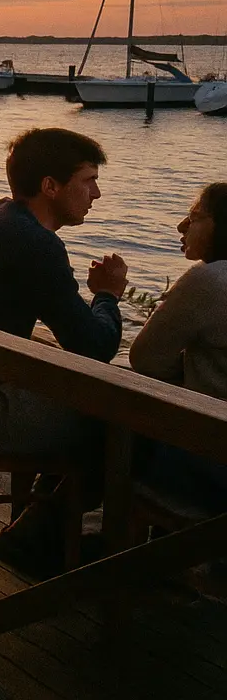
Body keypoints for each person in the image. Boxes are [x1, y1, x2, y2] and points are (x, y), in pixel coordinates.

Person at [0, 127, 126, 574]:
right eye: (88, 180)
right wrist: (108, 295)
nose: (97, 193)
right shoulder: (33, 243)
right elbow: (94, 347)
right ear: (50, 186)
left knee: (93, 407)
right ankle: (41, 541)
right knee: (118, 423)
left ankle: (35, 528)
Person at [130, 183, 227, 511]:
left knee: (104, 428)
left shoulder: (211, 280)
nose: (181, 226)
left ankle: (42, 537)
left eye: (195, 217)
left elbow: (144, 360)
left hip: (213, 464)